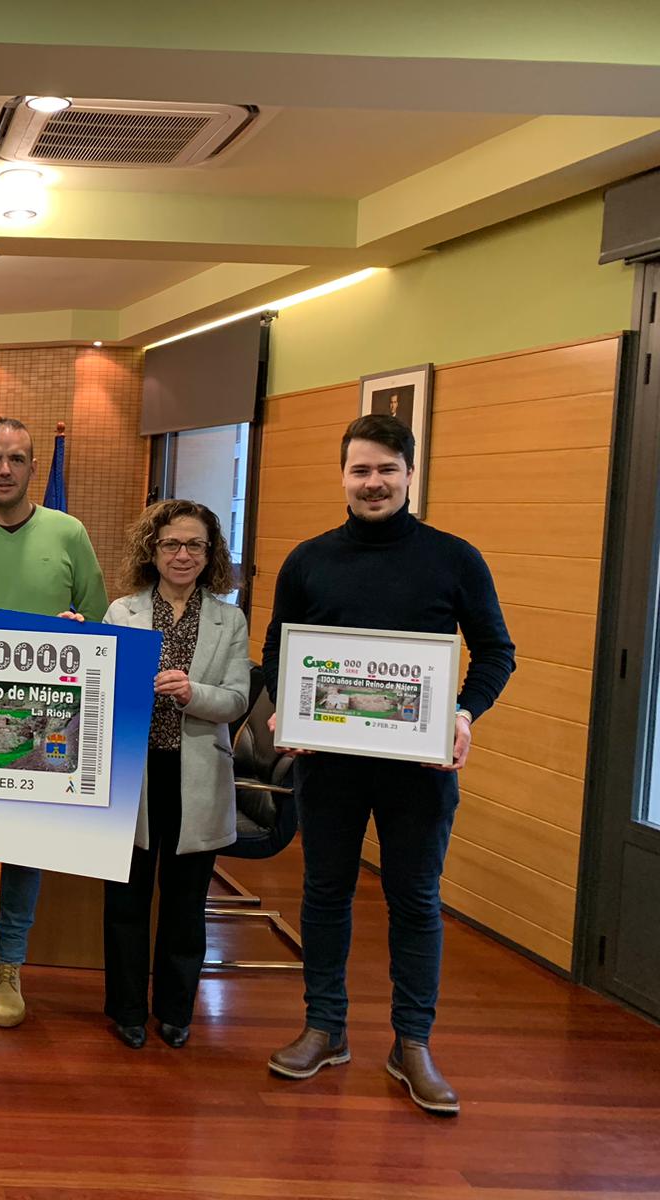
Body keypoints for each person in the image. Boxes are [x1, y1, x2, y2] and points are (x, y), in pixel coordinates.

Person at [261, 414, 515, 1116]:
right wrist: (286, 705)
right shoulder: (308, 560)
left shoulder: (454, 558)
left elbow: (497, 651)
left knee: (415, 900)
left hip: (419, 771)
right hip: (331, 766)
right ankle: (325, 1027)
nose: (373, 483)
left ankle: (412, 1044)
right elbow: (278, 650)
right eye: (360, 470)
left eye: (386, 470)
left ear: (409, 474)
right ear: (342, 476)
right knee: (325, 893)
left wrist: (463, 714)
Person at [0, 416, 107, 1027]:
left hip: (49, 717)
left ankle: (9, 966)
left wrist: (78, 626)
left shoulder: (70, 531)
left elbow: (97, 619)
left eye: (17, 459)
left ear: (34, 468)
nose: (4, 470)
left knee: (25, 847)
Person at [98, 499, 250, 1050]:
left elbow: (236, 699)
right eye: (171, 544)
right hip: (132, 777)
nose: (182, 555)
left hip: (197, 775)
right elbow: (102, 689)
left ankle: (177, 1010)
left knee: (186, 905)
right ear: (152, 550)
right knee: (127, 899)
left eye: (194, 545)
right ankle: (128, 1009)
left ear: (211, 555)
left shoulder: (229, 619)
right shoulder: (122, 612)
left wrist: (193, 693)